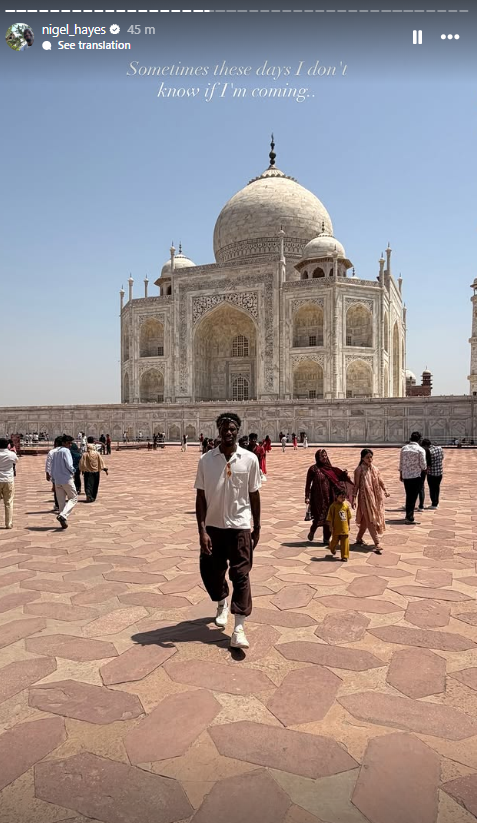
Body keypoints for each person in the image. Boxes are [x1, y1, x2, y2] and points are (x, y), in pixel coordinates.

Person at [195, 412, 261, 650]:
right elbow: (200, 497)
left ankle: (239, 627)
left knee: (241, 575)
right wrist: (201, 530)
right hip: (213, 527)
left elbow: (254, 494)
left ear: (238, 431)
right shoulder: (206, 460)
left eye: (233, 428)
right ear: (218, 431)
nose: (229, 432)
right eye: (224, 428)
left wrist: (257, 526)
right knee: (210, 571)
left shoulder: (249, 459)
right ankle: (222, 599)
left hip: (240, 525)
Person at [305, 449, 353, 544]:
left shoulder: (330, 469)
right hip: (317, 498)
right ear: (317, 457)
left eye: (325, 456)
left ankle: (326, 538)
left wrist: (344, 474)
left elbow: (337, 479)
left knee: (329, 518)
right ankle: (312, 530)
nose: (324, 458)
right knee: (318, 517)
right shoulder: (313, 469)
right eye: (322, 456)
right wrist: (307, 497)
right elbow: (308, 484)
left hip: (330, 497)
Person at [353, 448, 390, 554]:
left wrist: (385, 490)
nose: (369, 459)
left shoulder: (375, 469)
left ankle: (359, 538)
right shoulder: (359, 470)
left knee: (366, 519)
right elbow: (356, 486)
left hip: (375, 497)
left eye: (371, 457)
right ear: (362, 458)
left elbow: (380, 480)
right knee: (370, 519)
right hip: (364, 498)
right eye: (367, 457)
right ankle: (377, 543)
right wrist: (354, 498)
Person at [49, 435, 78, 528]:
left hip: (57, 480)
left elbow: (52, 467)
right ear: (64, 443)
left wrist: (53, 479)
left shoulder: (55, 452)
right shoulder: (66, 451)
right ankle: (63, 516)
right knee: (73, 498)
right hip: (66, 479)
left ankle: (63, 521)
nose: (70, 445)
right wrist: (73, 471)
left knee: (61, 503)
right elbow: (69, 465)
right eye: (69, 443)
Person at [399, 431, 427, 524]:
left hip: (406, 476)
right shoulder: (420, 450)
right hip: (416, 476)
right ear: (419, 440)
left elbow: (401, 463)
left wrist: (401, 474)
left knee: (408, 495)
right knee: (413, 496)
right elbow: (423, 466)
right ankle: (410, 517)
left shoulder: (404, 448)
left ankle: (408, 515)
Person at [79, 436, 108, 502]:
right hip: (96, 471)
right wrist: (105, 469)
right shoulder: (97, 454)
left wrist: (82, 470)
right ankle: (92, 496)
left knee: (88, 484)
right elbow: (101, 462)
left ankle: (89, 495)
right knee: (95, 484)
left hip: (88, 472)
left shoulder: (85, 454)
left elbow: (82, 463)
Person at [326, 490, 352, 561]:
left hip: (344, 528)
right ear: (336, 497)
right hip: (336, 528)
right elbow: (330, 518)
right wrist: (331, 527)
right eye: (341, 497)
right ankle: (332, 547)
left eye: (344, 497)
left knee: (345, 543)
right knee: (335, 541)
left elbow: (348, 517)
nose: (342, 499)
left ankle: (344, 556)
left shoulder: (346, 506)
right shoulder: (333, 506)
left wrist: (348, 525)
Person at [0, 437, 18, 529]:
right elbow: (16, 461)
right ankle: (8, 523)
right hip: (8, 480)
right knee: (8, 502)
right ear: (8, 445)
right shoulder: (11, 454)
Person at [421, 438, 444, 509]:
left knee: (432, 488)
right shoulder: (440, 448)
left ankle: (434, 503)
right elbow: (442, 457)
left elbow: (427, 463)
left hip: (431, 473)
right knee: (437, 488)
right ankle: (436, 503)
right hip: (439, 472)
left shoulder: (428, 451)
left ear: (425, 445)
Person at [46, 436, 63, 511]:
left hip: (55, 473)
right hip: (64, 473)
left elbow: (48, 463)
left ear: (55, 443)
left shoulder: (52, 452)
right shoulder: (65, 451)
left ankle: (58, 504)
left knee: (56, 489)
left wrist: (47, 473)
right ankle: (61, 504)